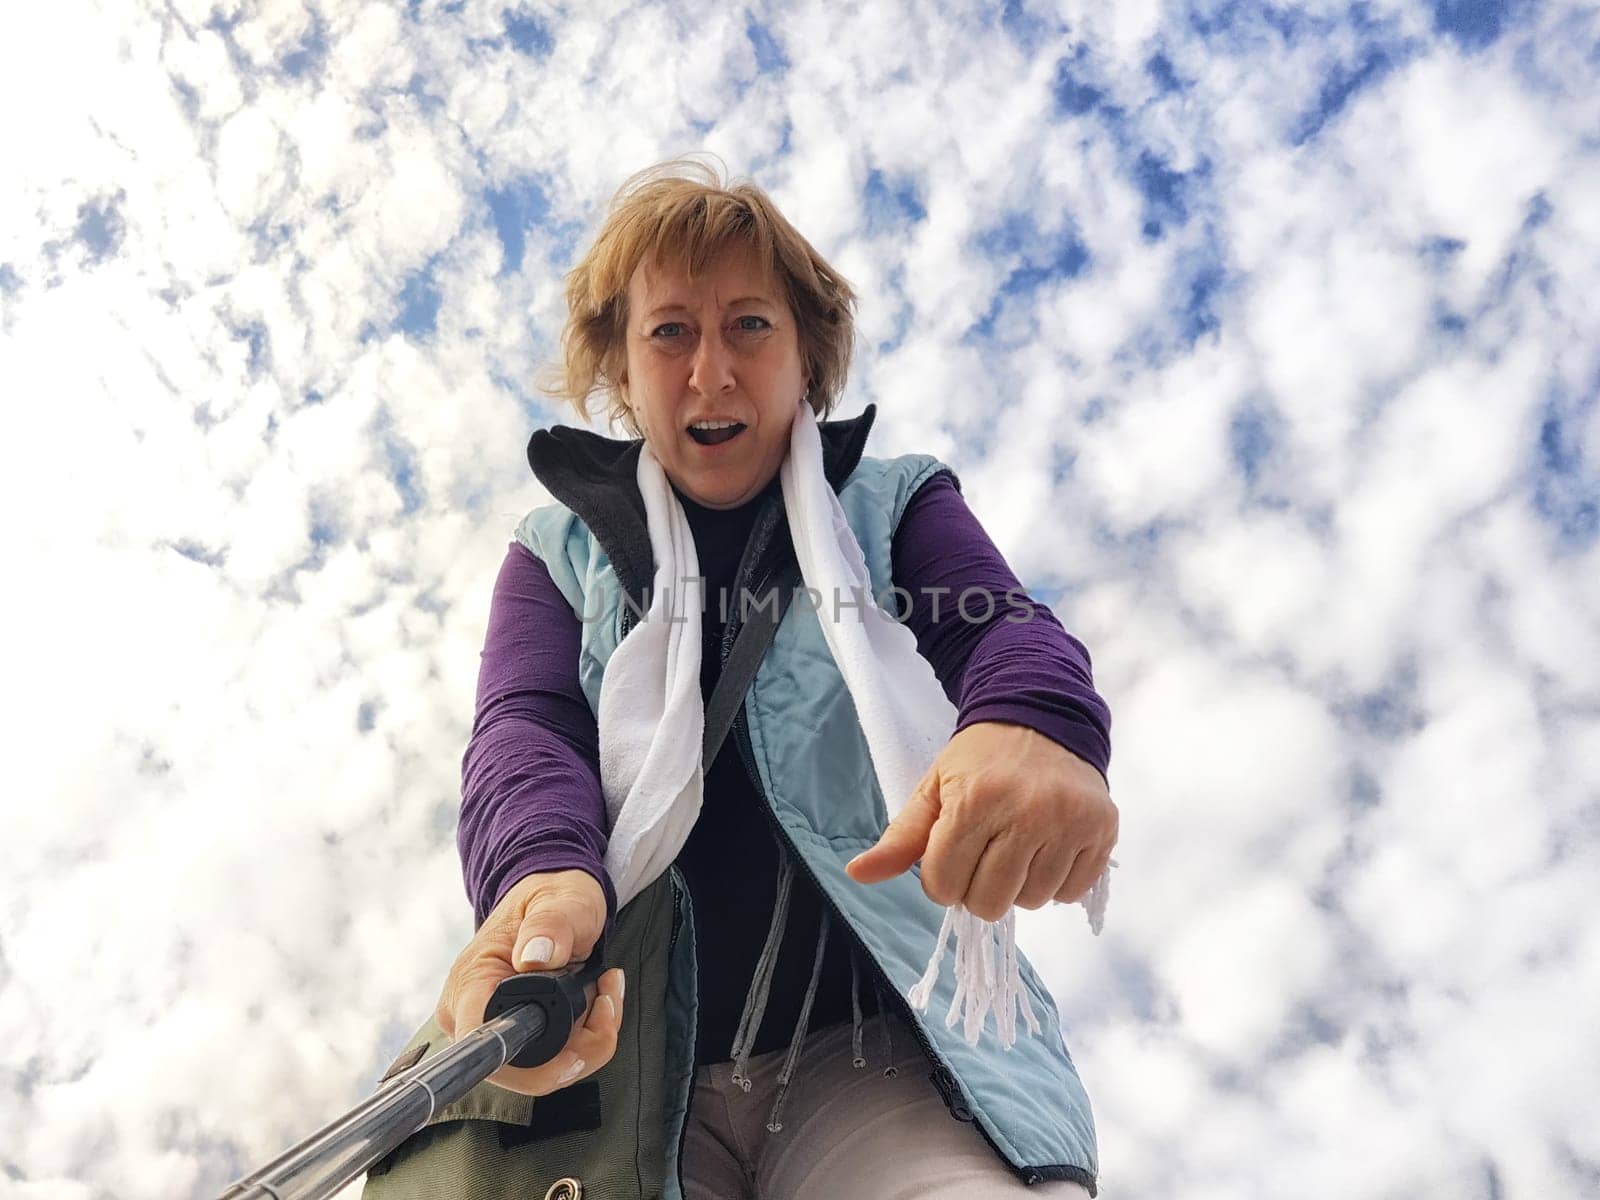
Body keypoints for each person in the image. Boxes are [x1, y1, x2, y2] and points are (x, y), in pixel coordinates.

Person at [391, 158, 1118, 1200]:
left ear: (806, 355)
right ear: (623, 369)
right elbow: (526, 727)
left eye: (749, 326)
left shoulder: (892, 502)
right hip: (620, 1079)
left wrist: (1033, 723)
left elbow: (994, 627)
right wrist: (541, 876)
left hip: (878, 1064)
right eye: (670, 331)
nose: (711, 372)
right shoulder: (555, 551)